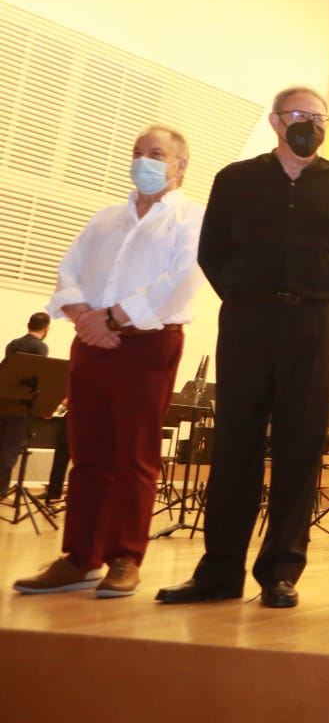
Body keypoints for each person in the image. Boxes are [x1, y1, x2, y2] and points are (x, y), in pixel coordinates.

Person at [157, 87, 329, 609]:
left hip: (315, 324)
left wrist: (328, 297)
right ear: (276, 121)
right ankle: (219, 573)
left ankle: (281, 572)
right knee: (235, 445)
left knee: (301, 447)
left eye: (319, 117)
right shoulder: (236, 179)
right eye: (299, 115)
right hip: (248, 322)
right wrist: (245, 295)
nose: (309, 124)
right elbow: (212, 251)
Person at [13, 128, 203, 598]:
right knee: (87, 455)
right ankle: (80, 557)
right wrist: (86, 318)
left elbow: (179, 282)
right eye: (138, 152)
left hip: (148, 346)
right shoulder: (105, 218)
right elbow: (68, 271)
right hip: (91, 343)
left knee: (134, 456)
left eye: (156, 154)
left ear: (180, 165)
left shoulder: (191, 219)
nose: (144, 160)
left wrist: (112, 319)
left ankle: (125, 556)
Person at [1, 311, 50, 494]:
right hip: (20, 407)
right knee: (10, 450)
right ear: (46, 328)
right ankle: (1, 492)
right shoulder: (40, 347)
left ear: (28, 325)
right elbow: (37, 377)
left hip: (3, 402)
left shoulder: (12, 344)